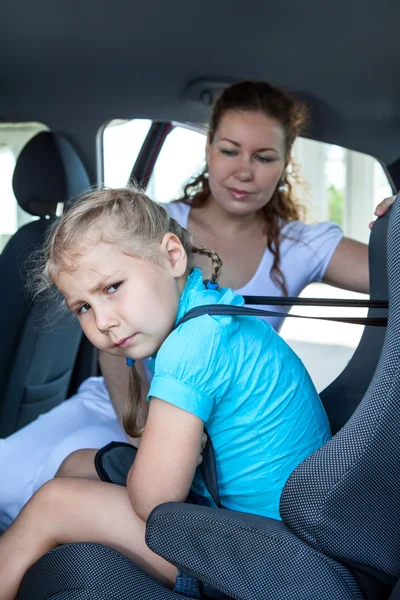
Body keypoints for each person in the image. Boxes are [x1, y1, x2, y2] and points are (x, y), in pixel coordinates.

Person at [0, 80, 395, 529]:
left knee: (56, 494)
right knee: (22, 477)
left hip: (210, 423)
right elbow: (112, 343)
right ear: (207, 149)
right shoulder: (151, 225)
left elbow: (391, 270)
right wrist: (140, 428)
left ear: (285, 164)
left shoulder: (300, 244)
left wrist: (394, 226)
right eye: (230, 150)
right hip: (128, 406)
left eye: (264, 157)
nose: (244, 171)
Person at [0, 186, 331, 599]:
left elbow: (154, 500)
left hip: (267, 567)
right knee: (78, 463)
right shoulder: (207, 313)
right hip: (264, 536)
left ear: (173, 256)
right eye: (83, 307)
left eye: (112, 287)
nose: (102, 320)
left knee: (55, 502)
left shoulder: (191, 348)